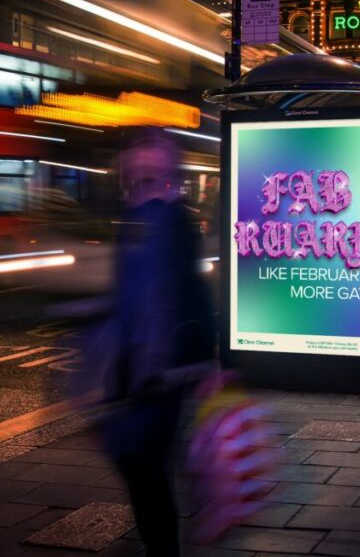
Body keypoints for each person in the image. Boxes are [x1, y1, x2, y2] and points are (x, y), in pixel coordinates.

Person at [95, 129, 215, 557]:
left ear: (168, 166)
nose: (142, 163)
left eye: (153, 155)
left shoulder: (177, 220)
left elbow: (193, 290)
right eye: (136, 155)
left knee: (145, 463)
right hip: (128, 363)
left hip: (165, 364)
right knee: (137, 463)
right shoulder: (127, 219)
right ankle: (160, 541)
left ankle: (163, 548)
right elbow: (120, 289)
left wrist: (209, 359)